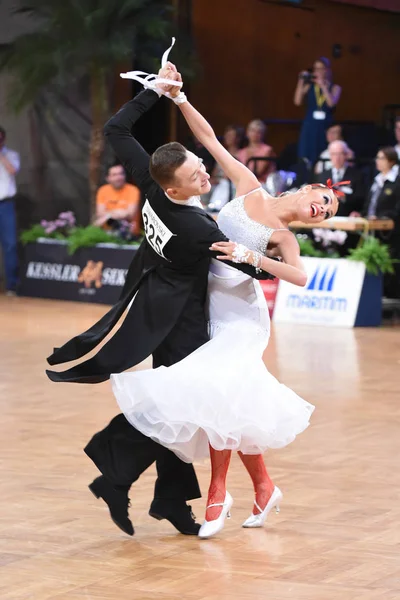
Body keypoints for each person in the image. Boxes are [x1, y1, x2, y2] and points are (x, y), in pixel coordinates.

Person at [111, 64, 341, 539]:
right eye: (325, 200)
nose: (323, 209)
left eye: (328, 213)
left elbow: (299, 277)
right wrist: (177, 99)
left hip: (242, 314)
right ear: (310, 187)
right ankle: (263, 486)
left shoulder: (283, 237)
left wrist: (247, 254)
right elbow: (212, 140)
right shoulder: (249, 185)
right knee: (227, 399)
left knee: (219, 396)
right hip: (208, 302)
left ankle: (217, 493)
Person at [45, 63, 274, 538]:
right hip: (183, 322)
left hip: (157, 306)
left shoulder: (151, 180)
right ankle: (116, 476)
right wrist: (276, 242)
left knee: (180, 409)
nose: (204, 172)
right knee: (179, 410)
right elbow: (246, 267)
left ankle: (167, 498)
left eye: (198, 163)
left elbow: (115, 127)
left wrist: (156, 91)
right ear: (175, 187)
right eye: (196, 173)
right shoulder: (198, 228)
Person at [294, 57, 342, 166]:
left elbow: (331, 103)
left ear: (327, 70)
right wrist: (301, 81)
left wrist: (323, 86)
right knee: (306, 155)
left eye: (321, 69)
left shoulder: (335, 87)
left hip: (325, 125)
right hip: (310, 124)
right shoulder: (310, 86)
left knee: (322, 153)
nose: (318, 71)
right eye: (316, 69)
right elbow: (297, 101)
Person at [314, 140, 364, 216]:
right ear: (330, 156)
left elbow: (361, 199)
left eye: (340, 154)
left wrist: (344, 197)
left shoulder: (357, 175)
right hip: (325, 217)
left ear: (346, 155)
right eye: (334, 154)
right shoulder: (322, 175)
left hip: (347, 216)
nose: (337, 158)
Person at [0, 126, 20, 295]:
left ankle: (11, 286)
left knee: (10, 245)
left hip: (5, 205)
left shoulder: (11, 155)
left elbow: (12, 170)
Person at [94, 163, 141, 235]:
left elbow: (130, 214)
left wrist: (108, 215)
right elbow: (100, 214)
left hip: (129, 233)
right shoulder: (103, 190)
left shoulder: (133, 190)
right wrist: (120, 212)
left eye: (121, 174)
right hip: (106, 233)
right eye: (114, 175)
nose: (118, 177)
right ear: (108, 178)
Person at [237, 119, 275, 184]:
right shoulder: (241, 152)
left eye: (259, 132)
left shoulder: (267, 150)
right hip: (243, 182)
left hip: (261, 184)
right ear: (247, 132)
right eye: (252, 130)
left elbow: (258, 172)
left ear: (263, 134)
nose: (255, 134)